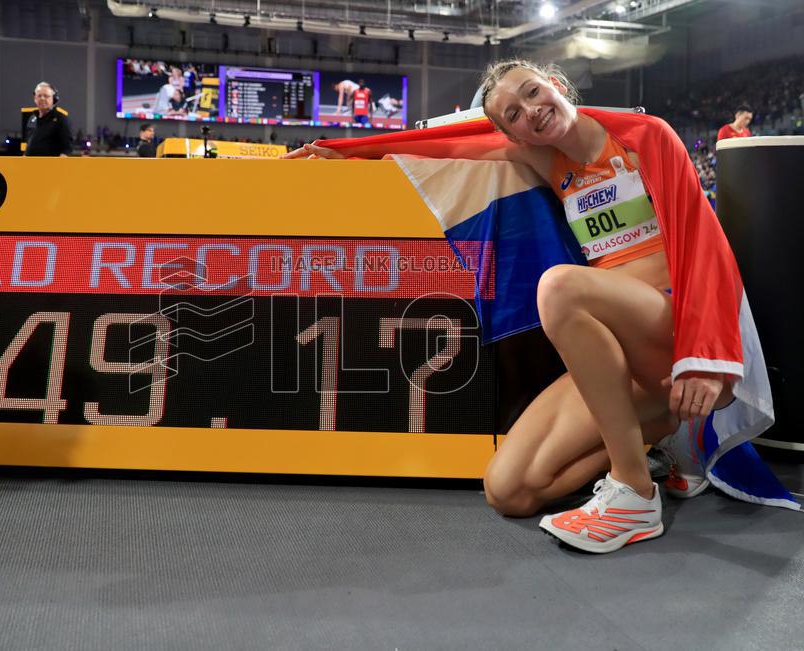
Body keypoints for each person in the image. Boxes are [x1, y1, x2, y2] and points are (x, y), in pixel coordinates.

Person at [286, 59, 784, 553]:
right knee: (509, 489)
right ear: (514, 136)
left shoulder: (646, 137)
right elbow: (448, 142)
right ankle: (648, 434)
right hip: (619, 363)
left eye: (530, 92)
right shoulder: (546, 162)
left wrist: (705, 358)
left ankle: (635, 491)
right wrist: (346, 151)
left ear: (556, 84)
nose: (530, 110)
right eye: (513, 114)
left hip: (674, 341)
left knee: (560, 288)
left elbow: (704, 243)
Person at [24, 81, 72, 157]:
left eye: (46, 96)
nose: (42, 98)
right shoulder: (32, 119)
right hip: (30, 166)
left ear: (54, 99)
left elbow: (66, 149)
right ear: (35, 98)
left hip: (50, 167)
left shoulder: (61, 119)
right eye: (39, 96)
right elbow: (29, 145)